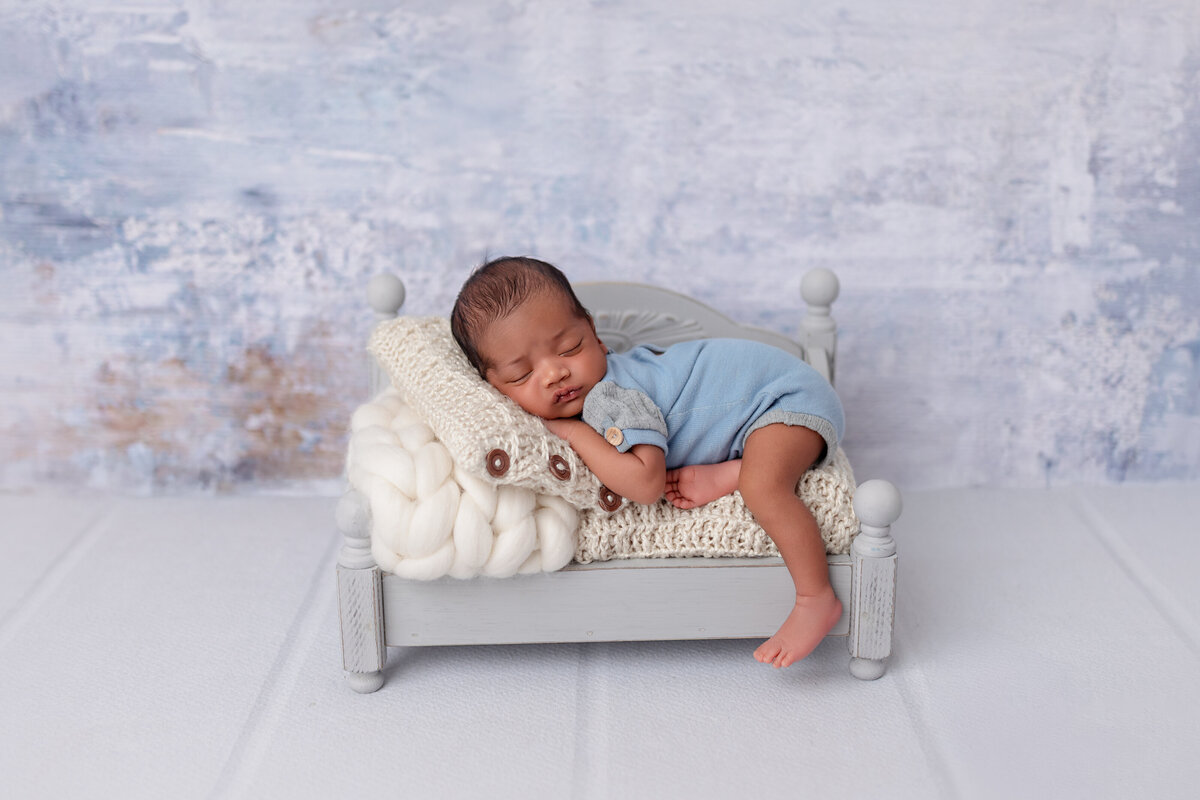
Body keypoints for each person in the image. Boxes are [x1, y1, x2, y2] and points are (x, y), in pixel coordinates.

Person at [451, 256, 846, 669]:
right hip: (762, 409)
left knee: (765, 488)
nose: (554, 373)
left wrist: (574, 434)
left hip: (787, 399)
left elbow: (646, 484)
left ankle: (815, 598)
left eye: (570, 347)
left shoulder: (610, 398)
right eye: (521, 374)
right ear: (492, 387)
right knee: (757, 475)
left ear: (595, 334)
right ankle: (732, 472)